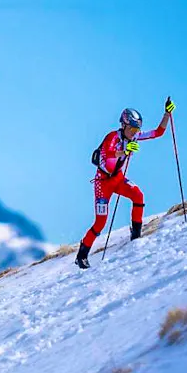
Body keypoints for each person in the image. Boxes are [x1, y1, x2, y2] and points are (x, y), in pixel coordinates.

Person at [75, 96, 175, 269]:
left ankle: (136, 235)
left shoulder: (134, 138)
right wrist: (124, 151)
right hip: (103, 183)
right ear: (124, 125)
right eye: (133, 128)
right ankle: (82, 255)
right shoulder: (112, 137)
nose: (136, 132)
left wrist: (167, 114)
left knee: (138, 195)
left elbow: (158, 132)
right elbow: (108, 157)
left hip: (118, 179)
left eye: (138, 129)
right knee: (100, 223)